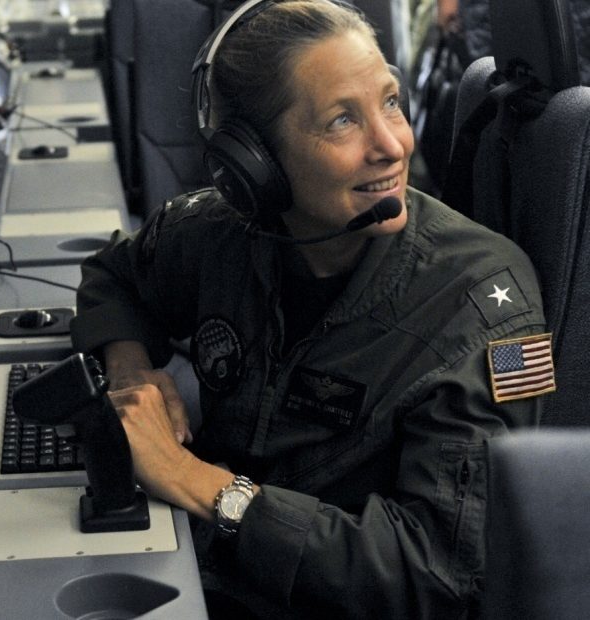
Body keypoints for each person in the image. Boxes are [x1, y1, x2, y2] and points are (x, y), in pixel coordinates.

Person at [70, 0, 552, 617]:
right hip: (197, 572)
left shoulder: (492, 308)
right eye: (342, 121)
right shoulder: (223, 231)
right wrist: (133, 375)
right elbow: (116, 275)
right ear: (253, 164)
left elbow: (443, 573)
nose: (393, 144)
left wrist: (195, 481)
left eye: (390, 102)